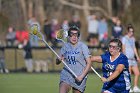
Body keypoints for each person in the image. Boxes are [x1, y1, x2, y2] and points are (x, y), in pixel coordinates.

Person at [56, 26, 91, 93]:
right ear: (68, 36)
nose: (74, 37)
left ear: (78, 36)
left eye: (76, 35)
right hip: (66, 75)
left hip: (79, 76)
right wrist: (59, 60)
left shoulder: (83, 46)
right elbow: (57, 62)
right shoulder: (65, 46)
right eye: (72, 35)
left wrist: (81, 76)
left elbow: (89, 63)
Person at [122, 24, 140, 92]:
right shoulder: (124, 38)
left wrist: (137, 57)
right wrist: (124, 57)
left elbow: (134, 48)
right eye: (130, 31)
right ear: (127, 31)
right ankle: (128, 87)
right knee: (128, 74)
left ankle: (135, 86)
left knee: (137, 73)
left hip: (133, 59)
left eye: (132, 31)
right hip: (128, 59)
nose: (131, 33)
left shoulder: (133, 39)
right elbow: (123, 48)